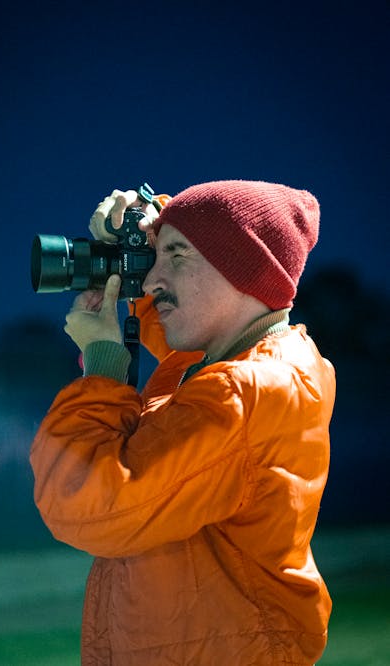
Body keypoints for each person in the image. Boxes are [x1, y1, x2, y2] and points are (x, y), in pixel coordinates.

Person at [30, 180, 336, 665]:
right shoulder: (244, 362)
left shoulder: (241, 391)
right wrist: (147, 220)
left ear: (244, 271)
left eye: (176, 257)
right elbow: (188, 293)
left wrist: (104, 366)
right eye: (159, 257)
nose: (151, 282)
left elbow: (88, 503)